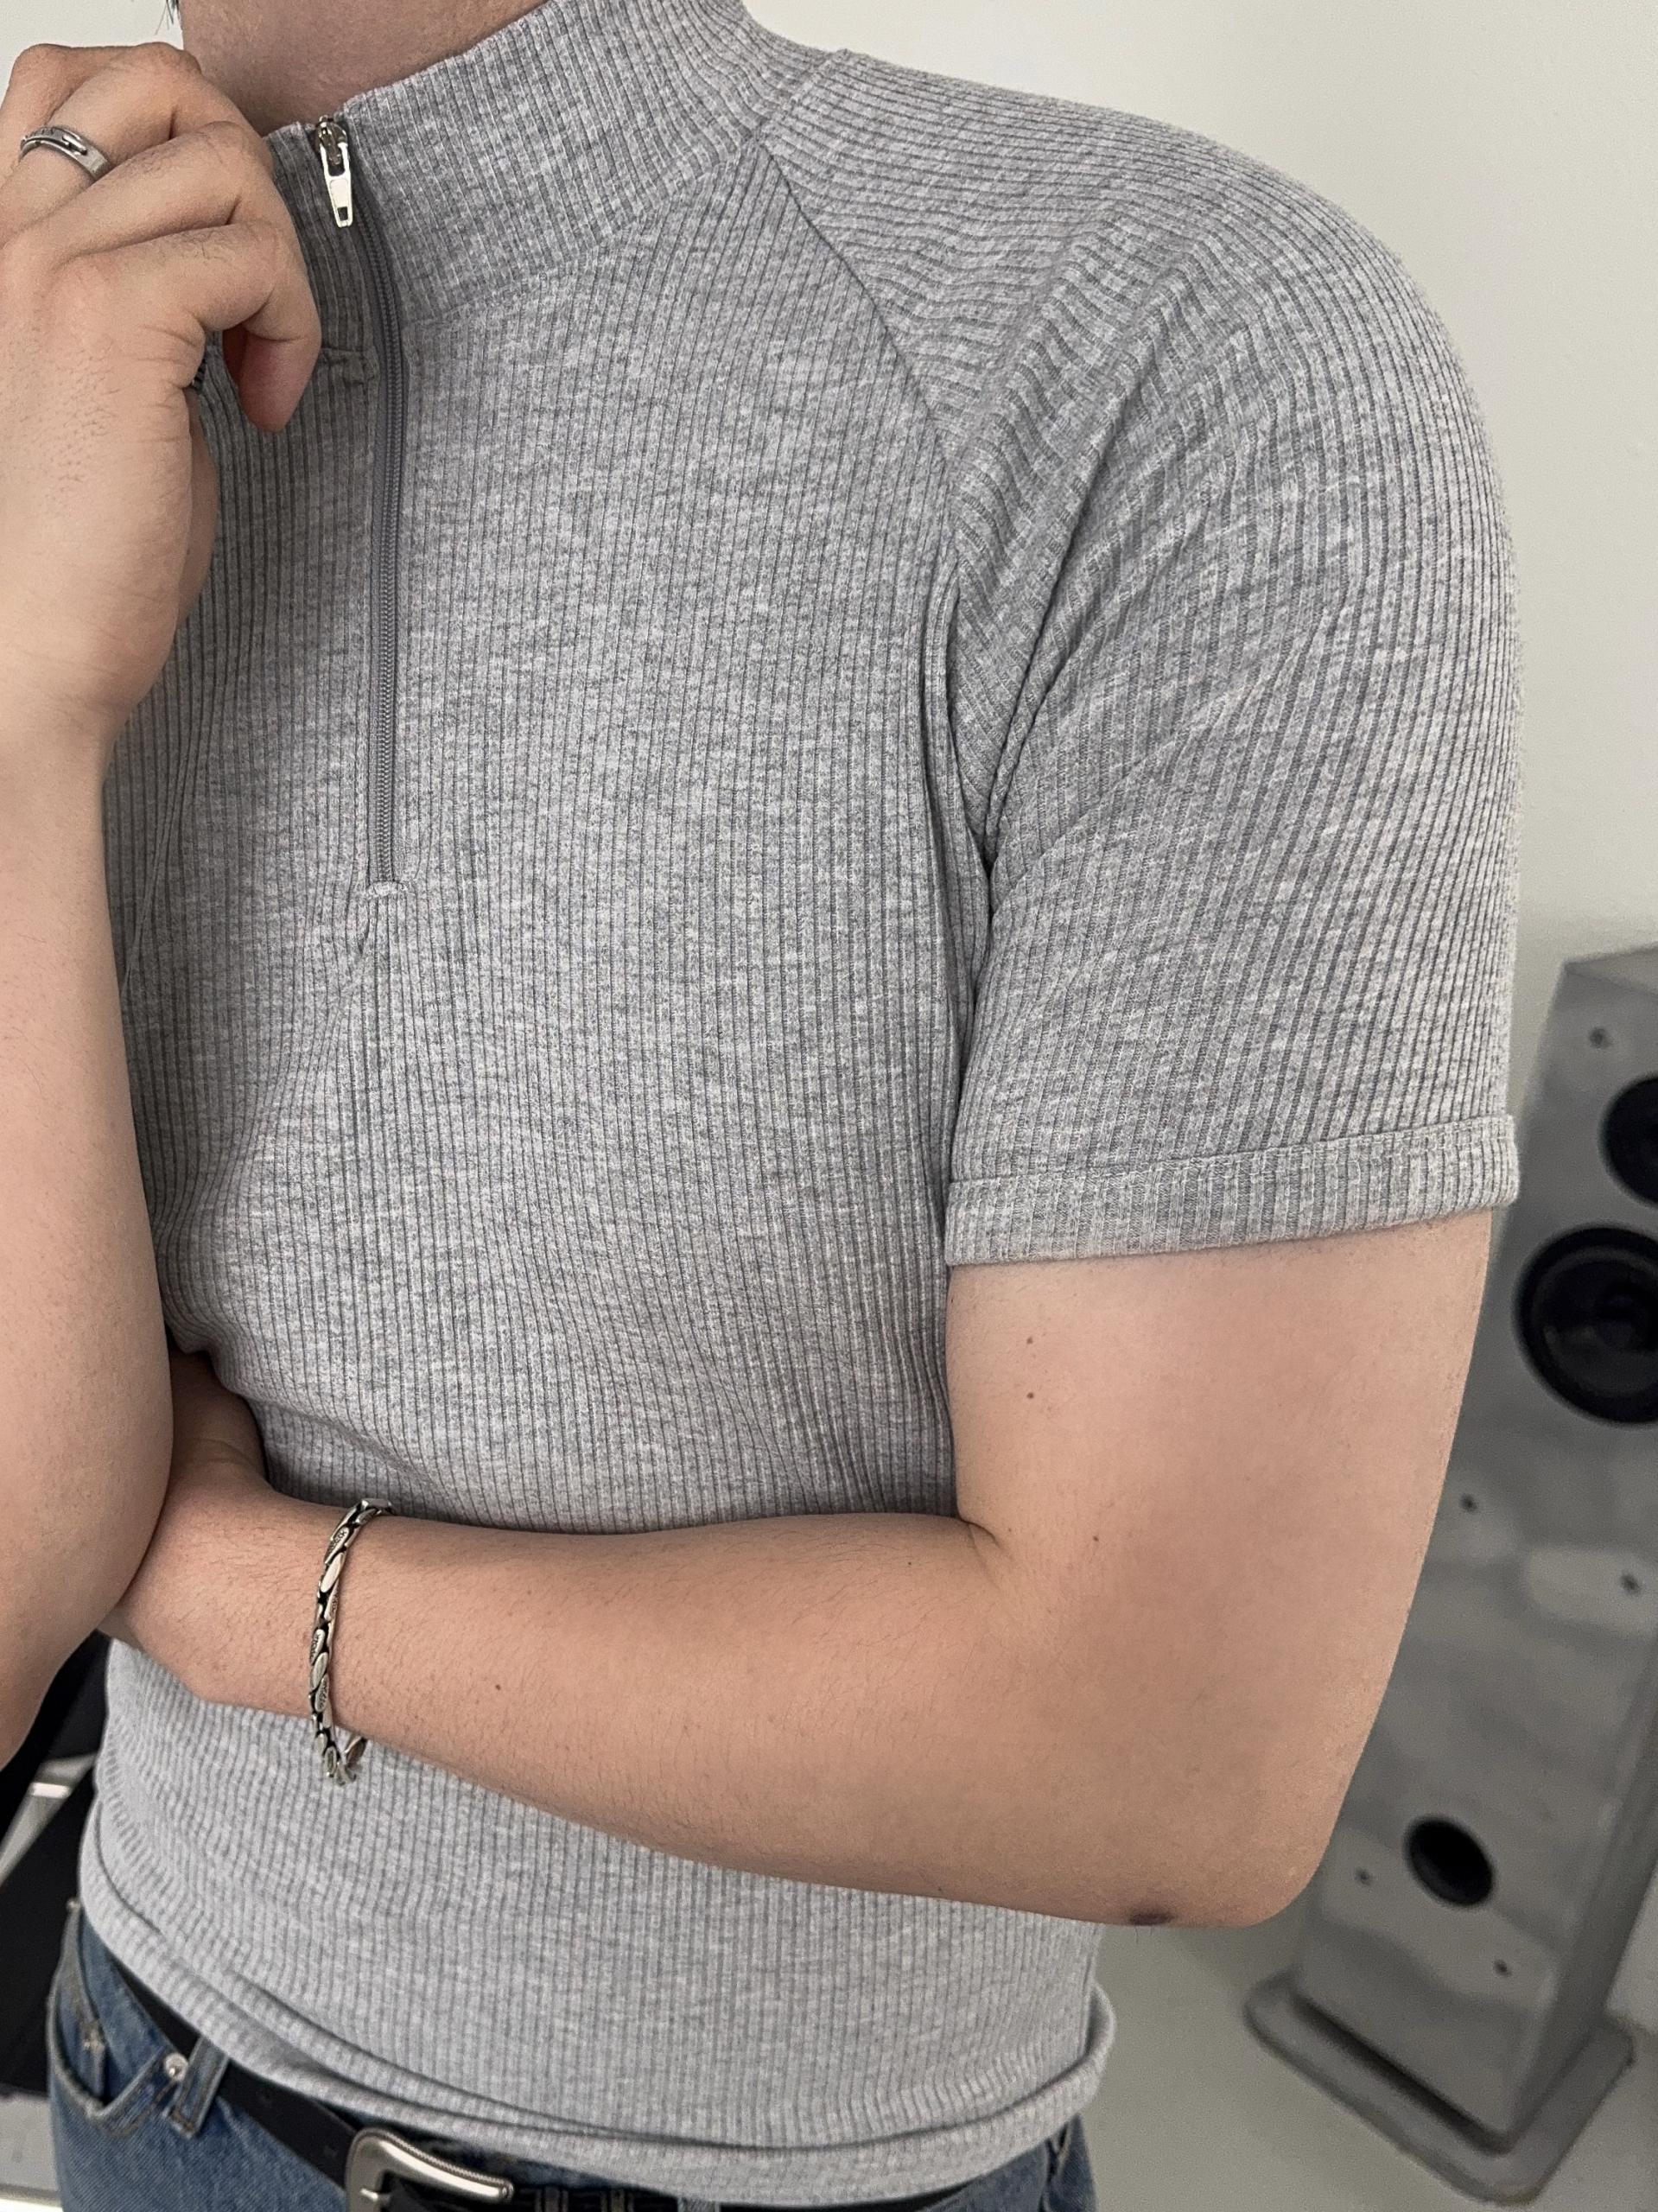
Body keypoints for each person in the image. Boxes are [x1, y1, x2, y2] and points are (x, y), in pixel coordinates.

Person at [0, 0, 1521, 2206]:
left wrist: (246, 1591)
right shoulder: (37, 357)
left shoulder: (1185, 355)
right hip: (145, 2066)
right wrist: (21, 717)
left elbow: (1172, 1748)